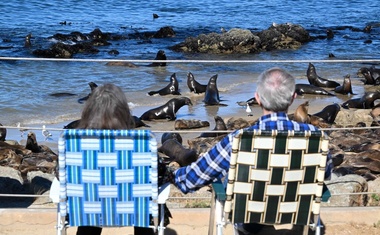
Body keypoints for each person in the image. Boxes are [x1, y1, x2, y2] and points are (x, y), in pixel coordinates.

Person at [163, 67, 333, 234]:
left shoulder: (238, 139)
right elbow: (325, 174)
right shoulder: (317, 137)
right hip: (297, 212)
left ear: (257, 98)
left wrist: (170, 174)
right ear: (293, 98)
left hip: (249, 214)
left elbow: (193, 178)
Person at [75, 83, 155, 235]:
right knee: (143, 202)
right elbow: (158, 174)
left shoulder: (75, 144)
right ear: (123, 112)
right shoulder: (140, 144)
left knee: (91, 199)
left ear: (89, 112)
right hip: (133, 210)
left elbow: (62, 176)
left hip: (89, 210)